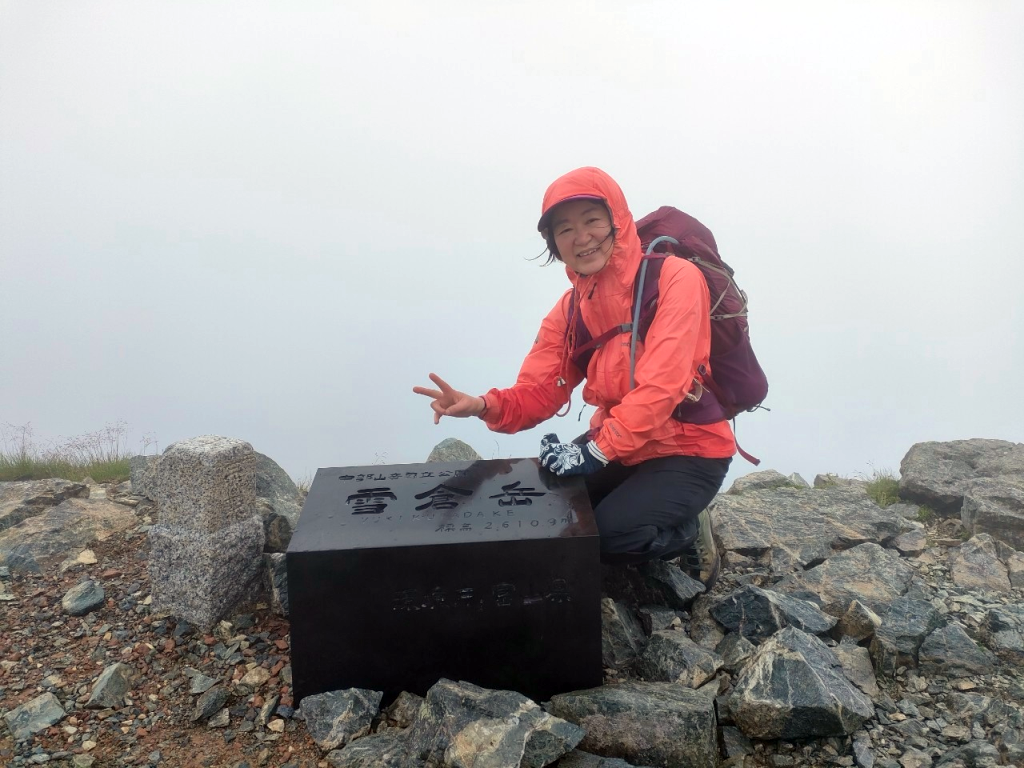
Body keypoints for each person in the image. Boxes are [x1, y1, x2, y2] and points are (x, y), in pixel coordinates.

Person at [413, 166, 736, 588]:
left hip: (689, 450)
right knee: (553, 517)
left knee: (609, 537)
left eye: (592, 221)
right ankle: (645, 507)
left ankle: (687, 531)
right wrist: (483, 406)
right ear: (554, 245)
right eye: (564, 229)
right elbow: (541, 390)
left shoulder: (675, 279)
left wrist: (598, 450)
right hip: (621, 447)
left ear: (618, 221)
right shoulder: (570, 311)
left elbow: (662, 386)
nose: (580, 237)